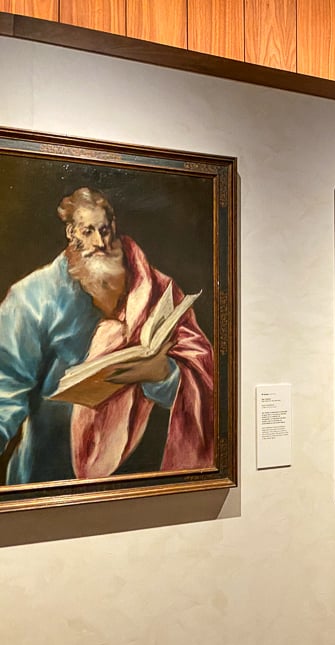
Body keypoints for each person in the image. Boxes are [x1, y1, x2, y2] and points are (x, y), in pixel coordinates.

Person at [0, 187, 214, 484]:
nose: (100, 242)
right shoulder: (31, 299)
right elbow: (4, 391)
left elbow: (200, 376)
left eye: (105, 230)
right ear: (71, 233)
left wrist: (161, 374)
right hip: (48, 475)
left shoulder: (156, 287)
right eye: (88, 231)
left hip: (144, 477)